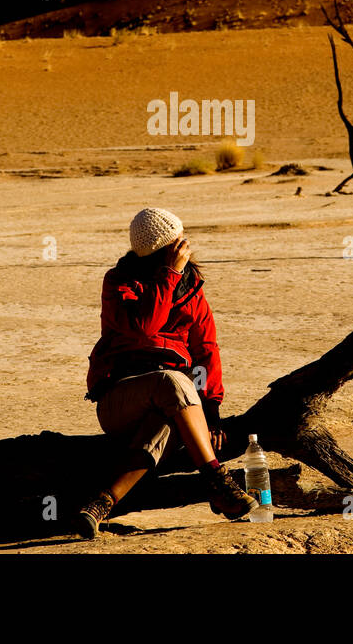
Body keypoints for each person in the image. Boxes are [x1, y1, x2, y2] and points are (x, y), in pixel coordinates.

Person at [75, 207, 258, 537]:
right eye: (177, 242)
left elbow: (206, 350)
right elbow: (144, 329)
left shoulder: (191, 287)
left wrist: (211, 413)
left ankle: (99, 504)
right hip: (119, 400)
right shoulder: (119, 283)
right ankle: (217, 483)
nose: (185, 246)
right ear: (163, 250)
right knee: (172, 380)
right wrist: (169, 276)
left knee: (167, 420)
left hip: (174, 402)